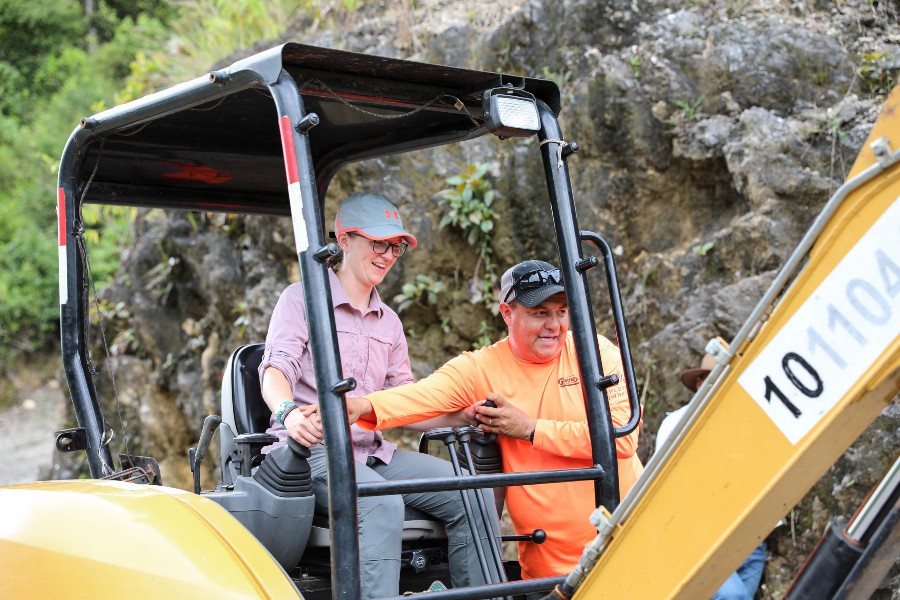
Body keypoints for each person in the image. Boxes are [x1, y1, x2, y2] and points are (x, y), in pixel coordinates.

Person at [307, 259, 644, 583]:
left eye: (561, 312)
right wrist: (362, 405)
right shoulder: (482, 367)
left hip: (629, 543)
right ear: (507, 313)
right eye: (540, 313)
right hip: (550, 568)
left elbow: (622, 440)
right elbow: (421, 395)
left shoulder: (596, 352)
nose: (554, 325)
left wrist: (529, 429)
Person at [258, 193, 496, 598]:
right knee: (379, 504)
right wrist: (289, 414)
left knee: (471, 490)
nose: (388, 255)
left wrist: (463, 417)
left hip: (372, 455)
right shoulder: (301, 300)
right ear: (344, 239)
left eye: (395, 246)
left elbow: (404, 405)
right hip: (310, 453)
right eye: (378, 243)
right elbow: (274, 370)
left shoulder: (390, 323)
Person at [658, 348, 767, 600]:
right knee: (733, 597)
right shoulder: (677, 423)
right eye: (713, 378)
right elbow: (666, 482)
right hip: (701, 536)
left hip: (749, 540)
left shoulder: (747, 424)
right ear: (699, 383)